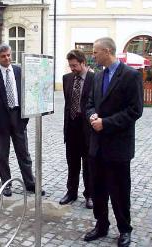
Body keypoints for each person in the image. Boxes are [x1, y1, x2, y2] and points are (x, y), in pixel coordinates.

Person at [84, 37, 143, 247]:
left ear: (107, 51)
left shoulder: (130, 75)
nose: (93, 56)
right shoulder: (97, 77)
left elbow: (135, 110)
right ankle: (101, 225)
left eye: (95, 52)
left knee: (119, 191)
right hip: (97, 145)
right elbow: (90, 103)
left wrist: (105, 123)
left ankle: (125, 230)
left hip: (118, 146)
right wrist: (92, 116)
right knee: (98, 190)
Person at [0, 43, 45, 197]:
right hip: (0, 122)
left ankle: (30, 183)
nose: (7, 58)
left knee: (24, 154)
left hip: (18, 118)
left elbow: (27, 93)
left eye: (9, 55)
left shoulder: (18, 71)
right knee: (2, 155)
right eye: (3, 56)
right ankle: (6, 184)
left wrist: (27, 115)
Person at [59, 49, 94, 209]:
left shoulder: (95, 78)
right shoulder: (67, 78)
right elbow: (67, 105)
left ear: (83, 63)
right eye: (70, 65)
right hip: (72, 126)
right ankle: (71, 192)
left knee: (88, 165)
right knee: (72, 163)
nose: (72, 68)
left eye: (74, 65)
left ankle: (90, 195)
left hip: (87, 128)